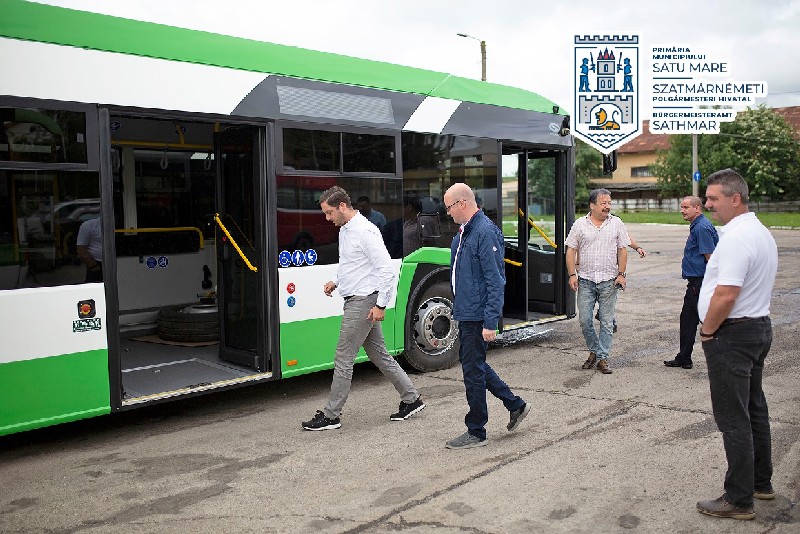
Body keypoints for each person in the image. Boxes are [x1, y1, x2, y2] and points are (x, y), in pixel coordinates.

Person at [302, 186, 424, 431]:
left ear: (342, 206)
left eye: (329, 212)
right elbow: (350, 264)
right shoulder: (345, 230)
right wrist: (335, 281)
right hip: (357, 298)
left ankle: (331, 415)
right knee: (379, 355)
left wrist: (381, 305)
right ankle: (412, 399)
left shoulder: (366, 231)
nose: (327, 218)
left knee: (343, 358)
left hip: (363, 301)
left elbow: (387, 271)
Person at [695, 169, 777, 521]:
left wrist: (708, 331)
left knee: (733, 418)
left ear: (735, 198)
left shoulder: (737, 239)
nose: (707, 204)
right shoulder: (759, 232)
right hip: (756, 328)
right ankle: (760, 482)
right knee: (754, 408)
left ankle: (739, 499)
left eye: (713, 198)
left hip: (733, 335)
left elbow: (726, 294)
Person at [443, 183, 530, 449]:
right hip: (466, 312)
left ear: (462, 203)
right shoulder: (463, 234)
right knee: (475, 364)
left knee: (472, 371)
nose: (448, 213)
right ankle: (515, 405)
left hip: (477, 315)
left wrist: (490, 321)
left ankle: (476, 431)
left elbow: (495, 280)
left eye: (449, 207)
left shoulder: (484, 232)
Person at [565, 188, 630, 374]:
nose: (607, 207)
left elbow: (622, 249)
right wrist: (572, 274)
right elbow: (571, 250)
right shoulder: (580, 224)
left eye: (609, 203)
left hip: (609, 280)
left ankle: (602, 358)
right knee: (585, 320)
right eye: (603, 203)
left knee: (607, 322)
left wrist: (621, 274)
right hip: (586, 280)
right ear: (592, 205)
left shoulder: (616, 223)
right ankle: (595, 350)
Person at [664, 196, 718, 370]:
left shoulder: (702, 228)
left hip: (700, 283)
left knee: (707, 320)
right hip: (696, 283)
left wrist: (712, 284)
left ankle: (726, 358)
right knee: (688, 320)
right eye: (682, 207)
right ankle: (684, 357)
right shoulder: (698, 225)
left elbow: (711, 258)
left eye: (686, 207)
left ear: (697, 208)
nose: (682, 210)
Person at [76, 216, 103, 283]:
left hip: (120, 262)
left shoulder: (119, 225)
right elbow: (81, 249)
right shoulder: (89, 225)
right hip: (97, 264)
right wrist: (93, 266)